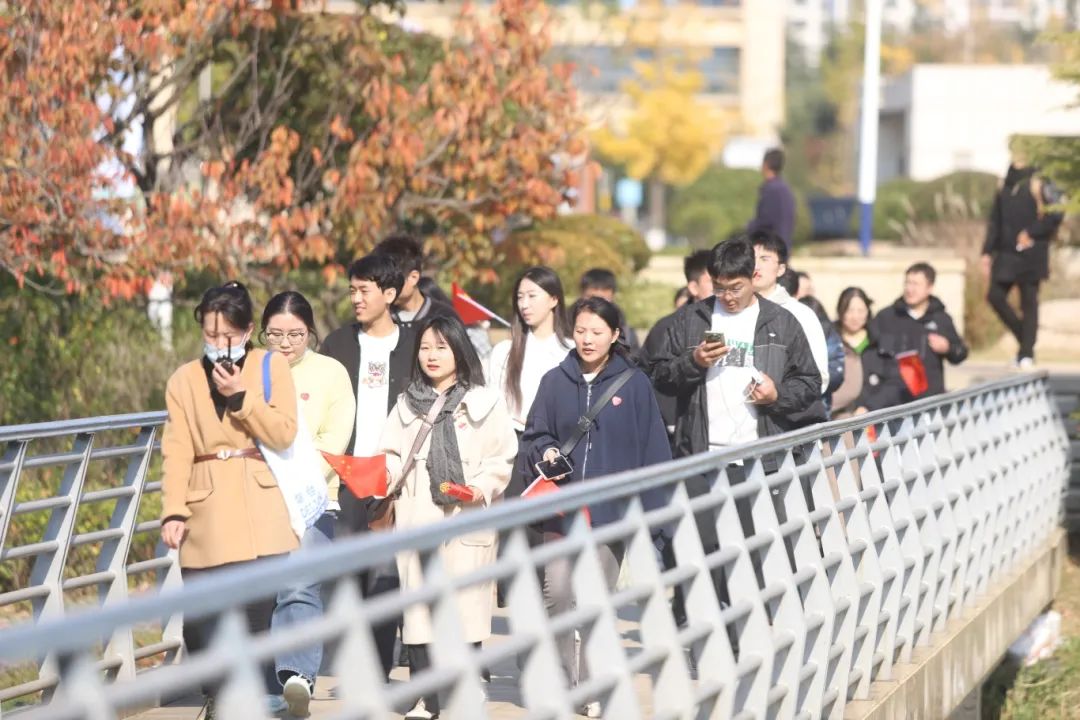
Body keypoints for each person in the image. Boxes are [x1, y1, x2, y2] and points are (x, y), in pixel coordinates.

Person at [521, 297, 671, 717]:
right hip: (561, 508)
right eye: (581, 331)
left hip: (610, 513)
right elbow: (534, 434)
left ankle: (588, 687)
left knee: (594, 601)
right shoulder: (554, 381)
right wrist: (547, 450)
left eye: (597, 332)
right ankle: (561, 682)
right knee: (556, 595)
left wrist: (654, 518)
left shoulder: (634, 385)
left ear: (615, 335)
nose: (587, 339)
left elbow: (653, 451)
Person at [160, 282, 299, 719]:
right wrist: (173, 510)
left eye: (230, 335)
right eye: (211, 334)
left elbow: (284, 432)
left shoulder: (271, 367)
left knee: (256, 616)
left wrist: (242, 397)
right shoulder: (183, 379)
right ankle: (218, 696)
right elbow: (176, 450)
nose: (220, 343)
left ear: (249, 330)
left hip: (259, 504)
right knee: (203, 618)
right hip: (204, 508)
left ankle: (252, 703)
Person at [380, 315, 517, 720]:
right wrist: (380, 476)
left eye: (441, 347)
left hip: (466, 515)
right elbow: (390, 455)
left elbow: (502, 457)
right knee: (419, 611)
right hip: (418, 515)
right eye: (425, 347)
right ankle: (428, 696)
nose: (431, 355)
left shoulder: (485, 401)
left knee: (465, 610)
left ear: (459, 350)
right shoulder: (406, 403)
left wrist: (481, 487)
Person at [647, 238, 822, 551]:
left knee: (758, 555)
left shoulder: (781, 322)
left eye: (735, 288)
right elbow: (658, 375)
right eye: (719, 287)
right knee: (703, 556)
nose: (727, 296)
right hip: (700, 459)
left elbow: (809, 384)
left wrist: (776, 395)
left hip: (759, 461)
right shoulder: (691, 319)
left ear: (754, 277)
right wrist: (694, 362)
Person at [321, 253, 416, 679]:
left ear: (390, 294)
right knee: (343, 575)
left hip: (395, 479)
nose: (356, 298)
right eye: (352, 291)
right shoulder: (337, 344)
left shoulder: (415, 345)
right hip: (344, 475)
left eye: (364, 290)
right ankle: (341, 669)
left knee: (385, 577)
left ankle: (377, 671)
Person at [262, 291, 355, 717]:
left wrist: (291, 479)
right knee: (258, 592)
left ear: (311, 333)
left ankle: (296, 677)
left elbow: (334, 440)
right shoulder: (249, 371)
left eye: (295, 334)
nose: (285, 343)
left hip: (313, 499)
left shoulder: (330, 373)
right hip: (256, 498)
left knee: (299, 585)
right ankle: (262, 682)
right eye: (275, 334)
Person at [981, 149, 1064, 368]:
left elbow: (1056, 214)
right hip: (1006, 252)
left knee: (1029, 302)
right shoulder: (1004, 183)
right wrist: (986, 251)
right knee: (995, 296)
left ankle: (1026, 352)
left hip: (1032, 252)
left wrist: (1032, 232)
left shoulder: (1041, 181)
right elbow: (995, 221)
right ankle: (1025, 341)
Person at [486, 267, 574, 439]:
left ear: (554, 299)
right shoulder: (503, 351)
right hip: (511, 442)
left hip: (557, 444)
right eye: (520, 297)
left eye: (532, 296)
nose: (524, 304)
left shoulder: (571, 352)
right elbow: (493, 403)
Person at [643, 249, 715, 440]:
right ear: (693, 287)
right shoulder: (669, 326)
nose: (719, 286)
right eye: (711, 280)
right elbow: (655, 375)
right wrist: (670, 422)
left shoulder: (732, 320)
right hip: (678, 432)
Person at [749, 231, 830, 400]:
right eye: (751, 258)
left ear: (781, 269)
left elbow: (819, 378)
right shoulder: (731, 310)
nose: (756, 266)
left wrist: (777, 396)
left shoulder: (800, 314)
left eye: (764, 259)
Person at [871, 262, 968, 398]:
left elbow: (960, 353)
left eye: (916, 284)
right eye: (907, 283)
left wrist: (948, 348)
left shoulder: (941, 319)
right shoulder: (886, 317)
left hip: (930, 399)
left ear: (929, 288)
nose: (910, 289)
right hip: (892, 399)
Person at [830, 288, 904, 419]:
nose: (855, 317)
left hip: (875, 419)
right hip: (837, 420)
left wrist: (869, 407)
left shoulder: (880, 342)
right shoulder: (830, 342)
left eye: (860, 311)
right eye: (850, 310)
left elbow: (894, 383)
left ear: (868, 312)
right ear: (841, 311)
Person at [746, 148, 797, 252]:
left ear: (766, 164)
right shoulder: (785, 188)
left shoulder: (771, 189)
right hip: (783, 244)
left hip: (771, 248)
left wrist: (750, 227)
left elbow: (766, 220)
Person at [579, 267, 640, 351]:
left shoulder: (626, 333)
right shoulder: (565, 328)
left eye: (603, 300)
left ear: (612, 297)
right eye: (592, 299)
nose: (597, 306)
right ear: (582, 295)